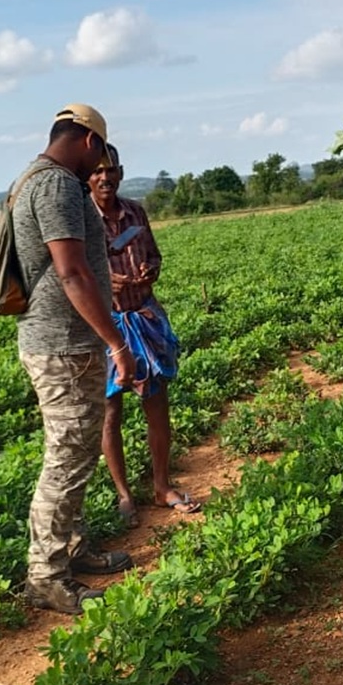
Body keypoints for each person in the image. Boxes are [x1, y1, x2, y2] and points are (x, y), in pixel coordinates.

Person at [12, 104, 137, 614]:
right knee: (66, 457)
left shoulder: (34, 179)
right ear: (90, 142)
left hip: (62, 342)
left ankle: (72, 547)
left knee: (79, 451)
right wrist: (116, 342)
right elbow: (72, 272)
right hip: (64, 344)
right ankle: (45, 575)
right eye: (101, 152)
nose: (101, 165)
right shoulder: (58, 185)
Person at [88, 143, 202, 526]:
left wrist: (151, 269)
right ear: (87, 177)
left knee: (157, 402)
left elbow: (153, 253)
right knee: (110, 411)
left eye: (111, 170)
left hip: (145, 316)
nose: (105, 177)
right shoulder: (81, 220)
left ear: (120, 173)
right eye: (97, 170)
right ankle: (124, 495)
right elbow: (73, 274)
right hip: (106, 324)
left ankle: (161, 485)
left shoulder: (135, 211)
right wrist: (107, 280)